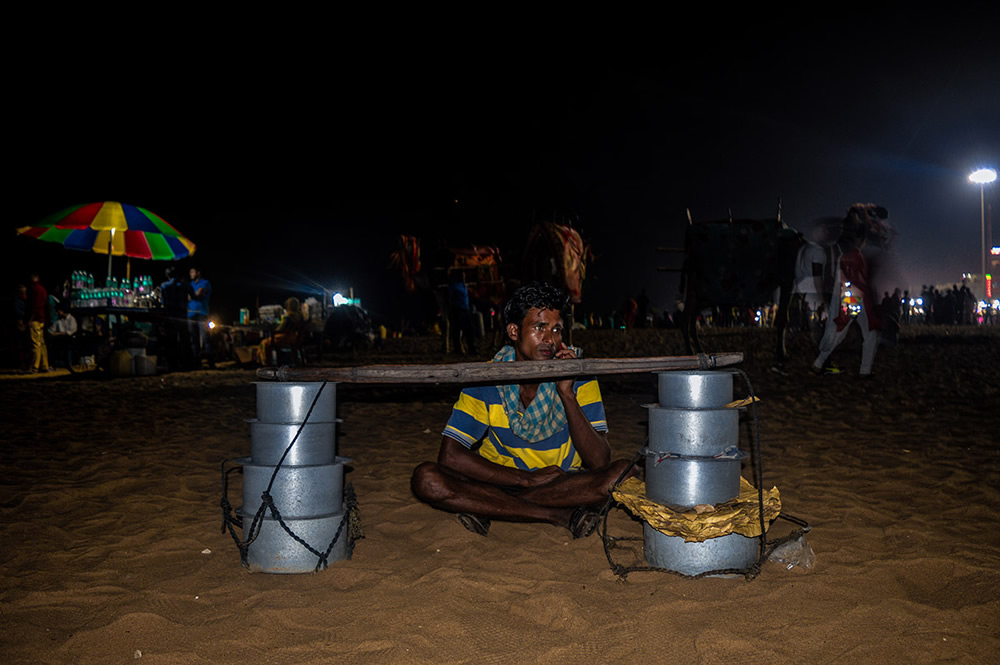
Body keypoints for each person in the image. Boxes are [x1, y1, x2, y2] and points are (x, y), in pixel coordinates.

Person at [410, 282, 633, 538]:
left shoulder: (578, 376)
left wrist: (567, 394)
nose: (550, 339)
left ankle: (490, 507)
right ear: (514, 331)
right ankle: (557, 515)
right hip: (500, 480)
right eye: (540, 327)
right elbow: (450, 457)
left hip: (559, 485)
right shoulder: (487, 378)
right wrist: (524, 479)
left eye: (557, 329)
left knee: (623, 474)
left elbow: (599, 461)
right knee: (426, 479)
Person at [811, 205, 883, 378]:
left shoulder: (845, 253)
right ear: (861, 240)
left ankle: (819, 363)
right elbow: (858, 280)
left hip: (849, 295)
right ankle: (864, 370)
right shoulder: (854, 256)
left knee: (841, 332)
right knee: (868, 334)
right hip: (855, 296)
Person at [257, 297, 305, 365]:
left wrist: (273, 329)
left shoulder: (288, 317)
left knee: (264, 342)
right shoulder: (300, 316)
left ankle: (266, 363)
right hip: (296, 338)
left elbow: (280, 329)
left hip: (286, 338)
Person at [160, 267, 192, 371]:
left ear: (168, 275)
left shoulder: (164, 286)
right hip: (182, 315)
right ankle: (187, 364)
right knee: (185, 339)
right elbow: (192, 296)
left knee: (171, 340)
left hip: (170, 315)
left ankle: (172, 364)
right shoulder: (185, 285)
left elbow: (163, 301)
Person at [187, 267, 213, 368]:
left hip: (202, 313)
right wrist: (192, 295)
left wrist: (191, 295)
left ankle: (211, 362)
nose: (191, 274)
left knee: (206, 338)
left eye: (192, 272)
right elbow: (191, 296)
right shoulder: (191, 284)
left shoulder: (205, 282)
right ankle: (196, 363)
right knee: (194, 339)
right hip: (191, 314)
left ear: (198, 272)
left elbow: (198, 294)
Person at [25, 273, 50, 373]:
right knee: (42, 343)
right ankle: (44, 365)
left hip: (35, 319)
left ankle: (34, 366)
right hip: (41, 318)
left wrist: (30, 319)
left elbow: (34, 305)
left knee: (35, 344)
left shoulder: (33, 289)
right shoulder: (42, 288)